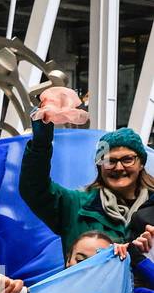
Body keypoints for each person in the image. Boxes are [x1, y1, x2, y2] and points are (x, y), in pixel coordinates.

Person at [19, 94, 154, 266]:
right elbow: (34, 187)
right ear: (100, 166)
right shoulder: (76, 206)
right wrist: (41, 141)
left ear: (141, 163)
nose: (119, 168)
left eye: (127, 159)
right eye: (110, 161)